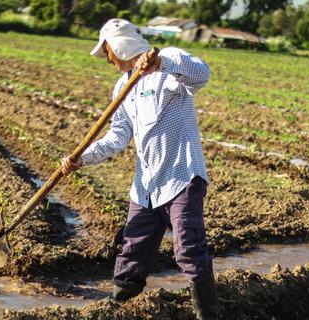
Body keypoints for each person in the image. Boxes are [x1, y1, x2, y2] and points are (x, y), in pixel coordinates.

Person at [61, 19, 217, 320]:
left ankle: (207, 315)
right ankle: (117, 311)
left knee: (189, 249)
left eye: (108, 51)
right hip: (145, 188)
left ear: (118, 46)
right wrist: (83, 158)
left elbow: (202, 74)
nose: (108, 59)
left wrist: (160, 62)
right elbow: (117, 136)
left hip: (181, 178)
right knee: (131, 253)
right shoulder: (122, 87)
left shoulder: (167, 68)